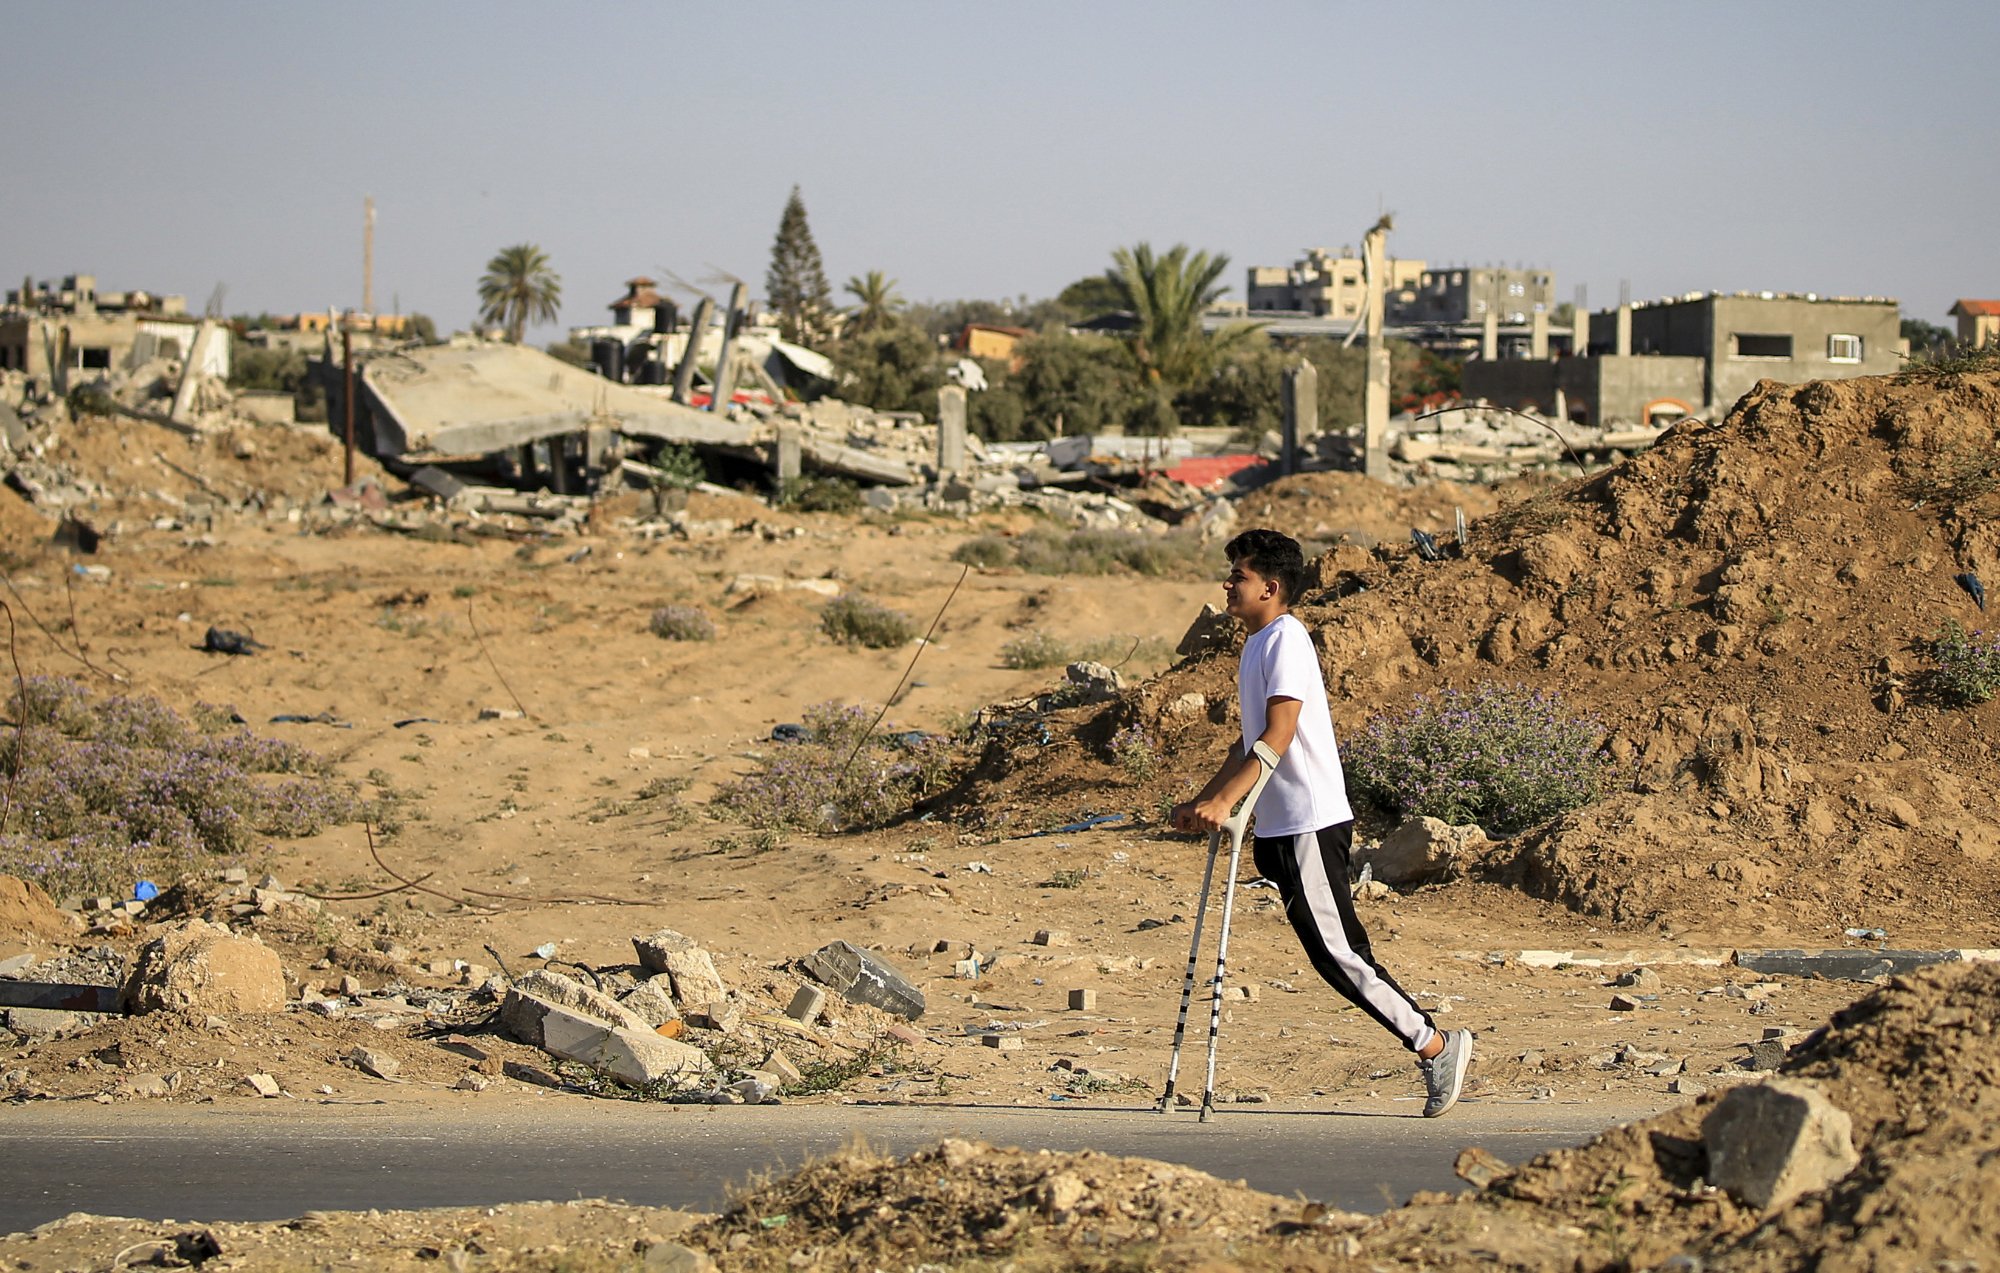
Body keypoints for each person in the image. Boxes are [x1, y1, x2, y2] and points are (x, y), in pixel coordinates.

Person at [1170, 528, 1473, 1117]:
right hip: (1280, 826)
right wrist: (1203, 800)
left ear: (1270, 587)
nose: (1228, 585)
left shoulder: (1286, 638)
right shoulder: (1256, 645)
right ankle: (1431, 1042)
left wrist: (1227, 802)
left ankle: (1436, 1045)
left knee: (1339, 953)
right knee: (1329, 953)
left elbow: (1279, 735)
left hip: (1309, 821)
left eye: (1238, 576)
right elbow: (1247, 744)